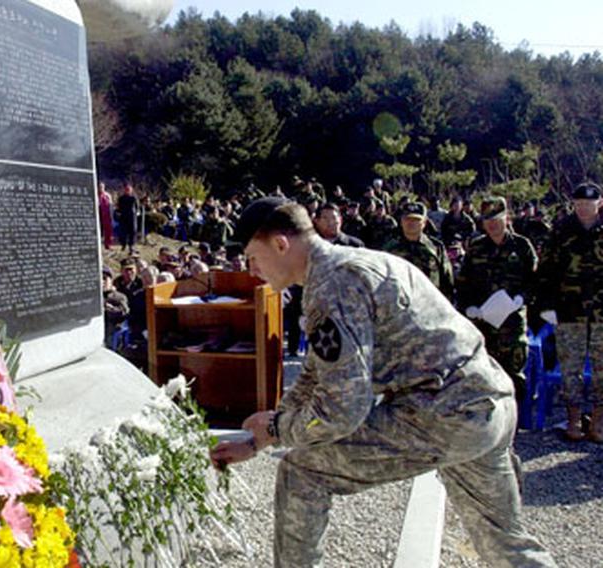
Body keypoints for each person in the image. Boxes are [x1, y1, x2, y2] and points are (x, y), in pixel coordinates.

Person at [210, 197, 556, 568]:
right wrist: (262, 436)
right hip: (488, 404)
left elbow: (343, 411)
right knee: (506, 544)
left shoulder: (333, 286)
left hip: (446, 412)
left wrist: (278, 429)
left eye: (253, 258)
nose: (252, 271)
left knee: (302, 472)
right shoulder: (356, 265)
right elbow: (316, 374)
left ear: (280, 244)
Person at [457, 197, 538, 409]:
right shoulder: (476, 248)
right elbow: (464, 283)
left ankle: (514, 422)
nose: (492, 224)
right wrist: (468, 308)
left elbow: (536, 280)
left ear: (507, 218)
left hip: (512, 323)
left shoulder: (521, 246)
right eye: (487, 220)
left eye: (497, 218)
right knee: (483, 372)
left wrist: (521, 298)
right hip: (483, 322)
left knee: (514, 375)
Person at [537, 183, 603, 442]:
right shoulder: (562, 229)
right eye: (579, 204)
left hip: (601, 311)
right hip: (569, 310)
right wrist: (546, 306)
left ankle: (598, 421)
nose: (583, 208)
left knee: (602, 368)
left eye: (588, 204)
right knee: (570, 368)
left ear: (599, 203)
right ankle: (574, 419)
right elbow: (546, 270)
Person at [384, 201, 455, 299]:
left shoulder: (435, 247)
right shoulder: (389, 248)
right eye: (407, 219)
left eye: (416, 220)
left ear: (424, 223)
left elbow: (446, 278)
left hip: (429, 302)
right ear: (401, 221)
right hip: (399, 304)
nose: (411, 223)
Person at [117, 183, 139, 254]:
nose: (127, 191)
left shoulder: (134, 198)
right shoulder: (121, 198)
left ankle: (131, 246)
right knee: (123, 232)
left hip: (132, 217)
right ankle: (123, 244)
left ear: (131, 190)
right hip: (123, 217)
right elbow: (119, 208)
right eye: (126, 189)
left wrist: (136, 213)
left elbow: (137, 207)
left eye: (129, 190)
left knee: (133, 231)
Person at [98, 182, 114, 249]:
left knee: (108, 230)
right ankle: (99, 244)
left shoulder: (108, 195)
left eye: (102, 187)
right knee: (99, 230)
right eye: (100, 187)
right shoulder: (96, 195)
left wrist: (111, 215)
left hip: (107, 214)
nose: (101, 188)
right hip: (99, 213)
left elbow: (110, 205)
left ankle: (108, 244)